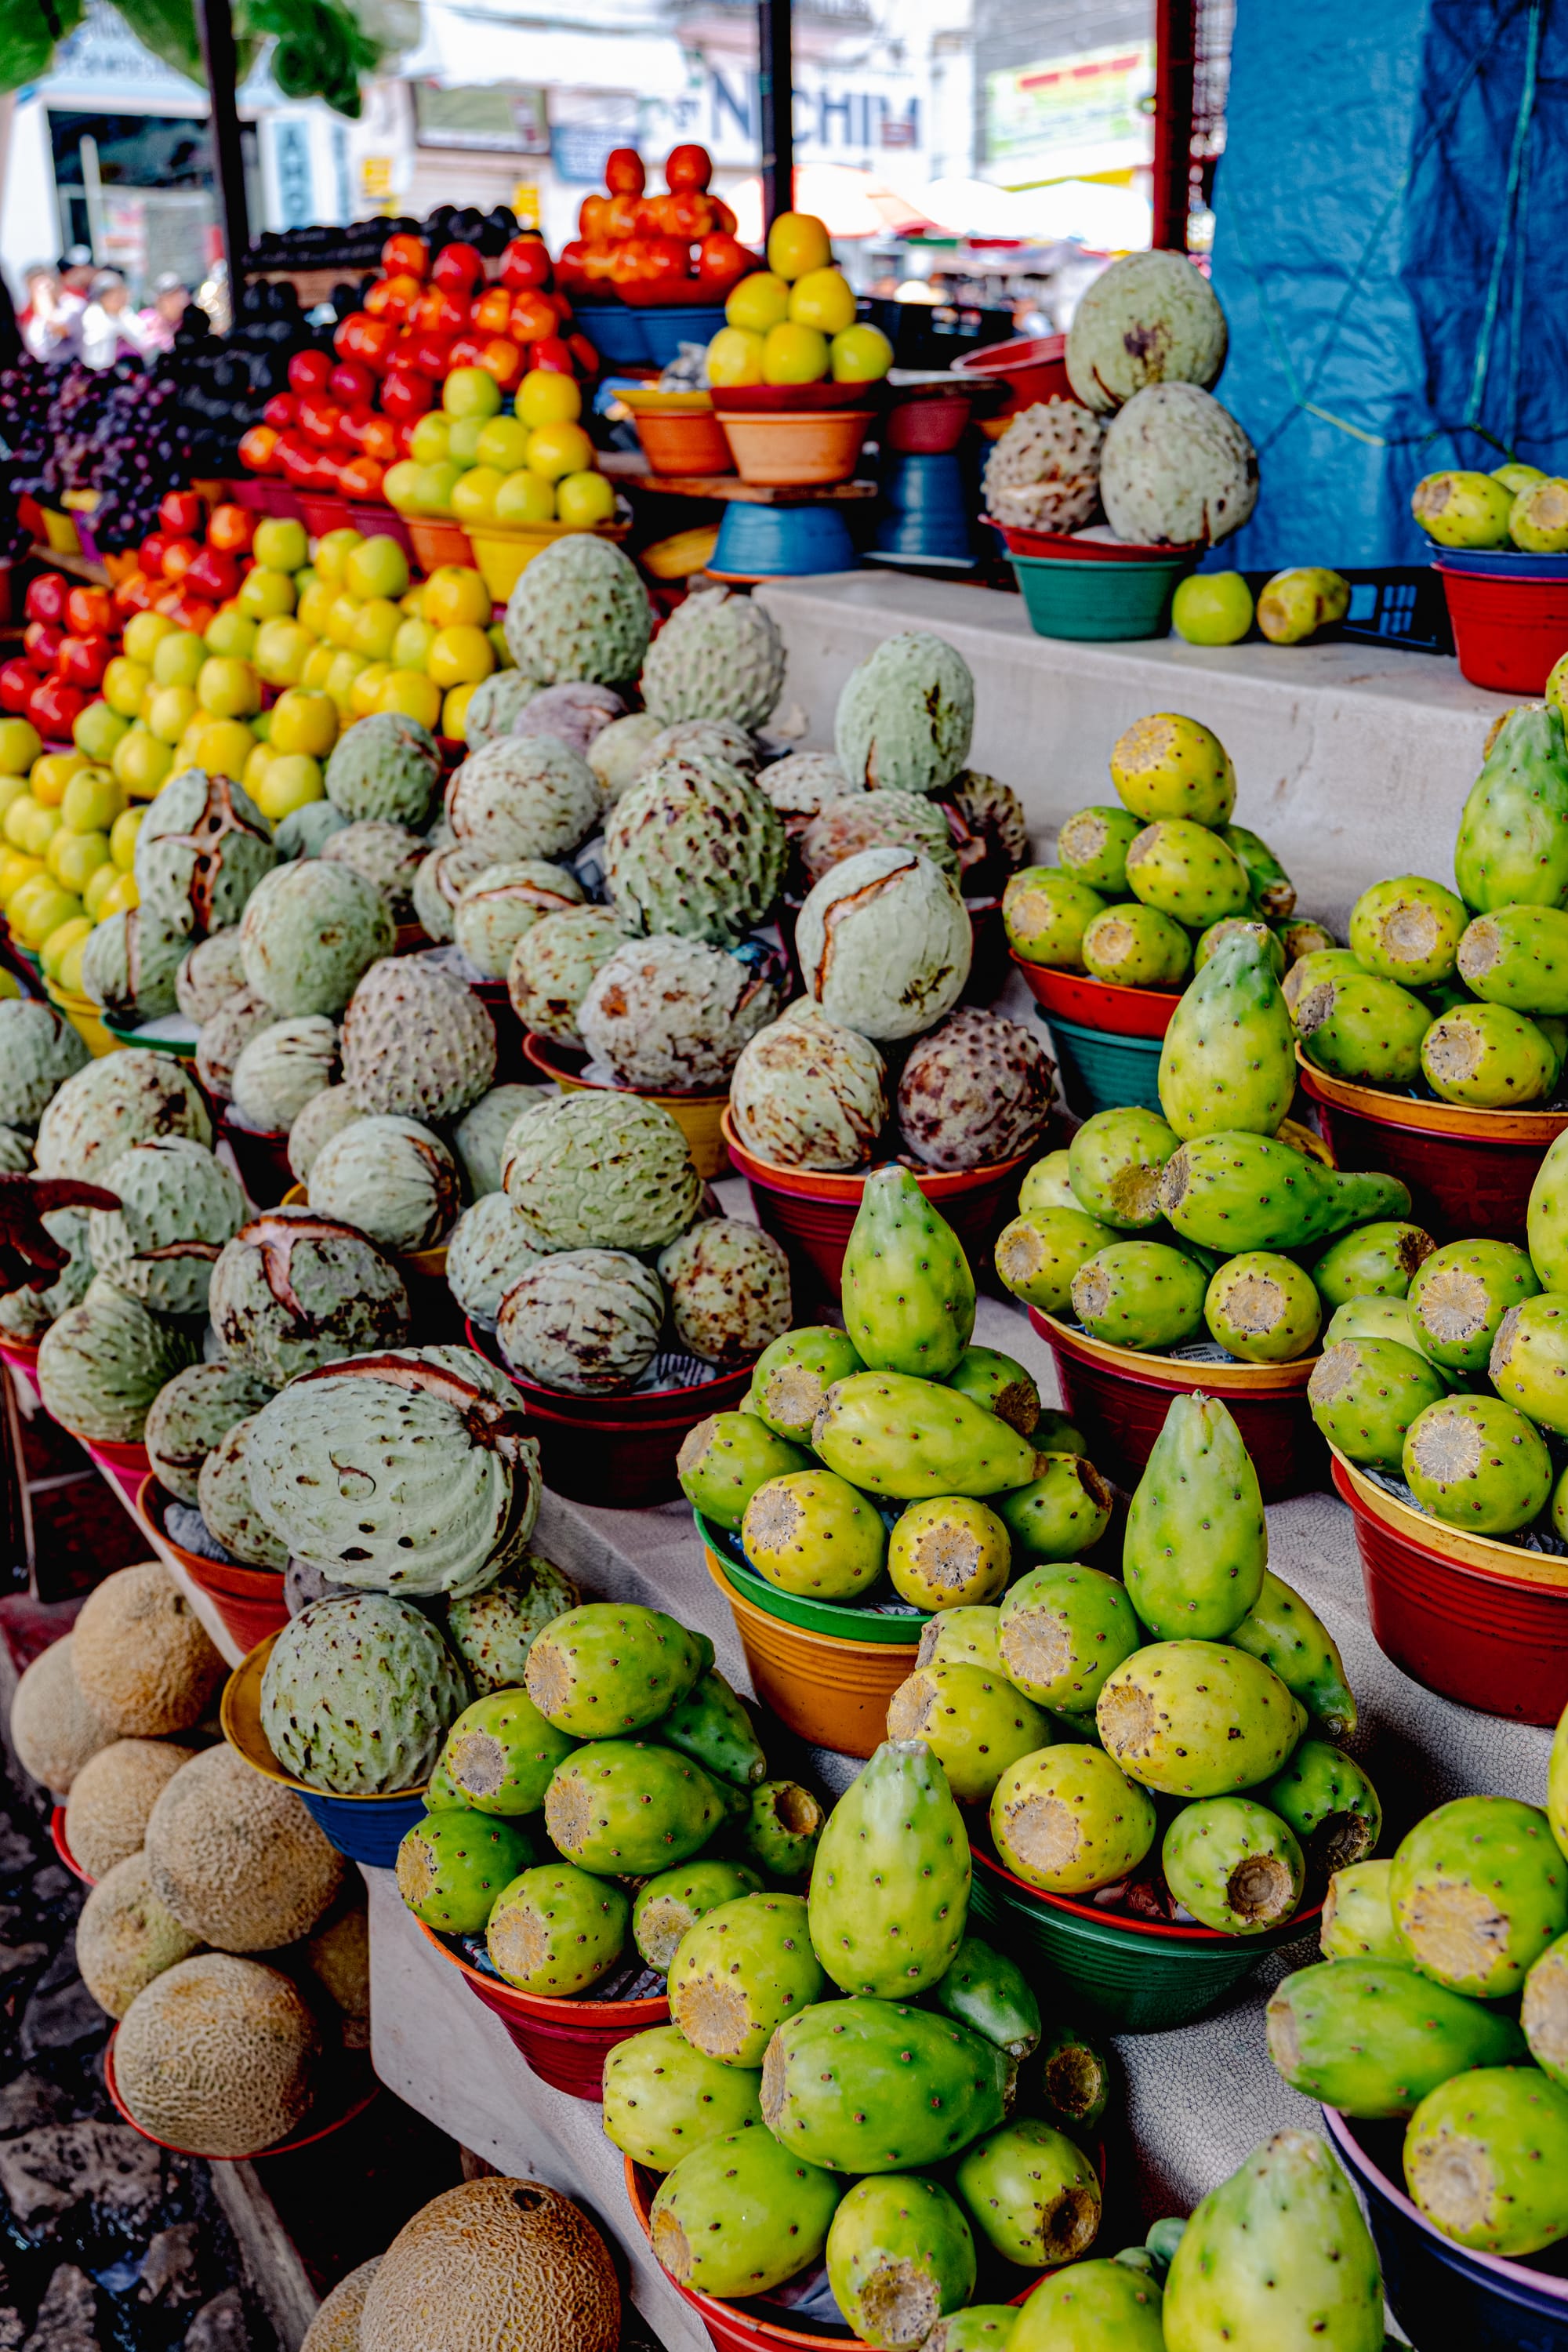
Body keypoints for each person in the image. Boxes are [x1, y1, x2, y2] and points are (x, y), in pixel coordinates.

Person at [79, 272, 142, 368]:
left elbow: (140, 340)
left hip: (125, 368)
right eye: (113, 294)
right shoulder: (93, 313)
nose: (119, 298)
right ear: (102, 297)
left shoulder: (127, 313)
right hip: (95, 370)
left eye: (121, 292)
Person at [136, 272, 188, 354]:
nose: (178, 298)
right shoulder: (147, 319)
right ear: (159, 300)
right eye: (171, 295)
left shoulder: (192, 318)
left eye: (180, 292)